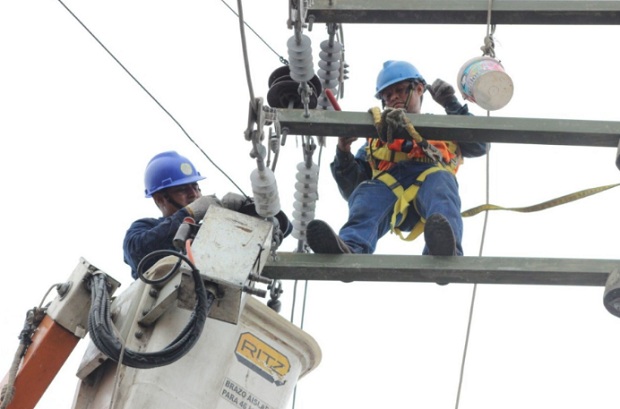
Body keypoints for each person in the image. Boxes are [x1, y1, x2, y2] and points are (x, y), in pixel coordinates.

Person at [306, 60, 489, 257]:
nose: (393, 98)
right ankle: (352, 247)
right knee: (368, 192)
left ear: (419, 89)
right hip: (390, 194)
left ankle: (444, 250)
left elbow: (479, 145)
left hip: (431, 194)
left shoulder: (441, 128)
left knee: (441, 183)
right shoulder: (378, 139)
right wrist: (343, 151)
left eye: (400, 90)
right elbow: (353, 188)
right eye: (387, 95)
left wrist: (450, 103)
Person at [123, 150, 290, 279]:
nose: (193, 194)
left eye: (196, 187)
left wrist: (248, 210)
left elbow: (282, 226)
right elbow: (138, 253)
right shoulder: (144, 227)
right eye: (182, 189)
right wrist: (189, 213)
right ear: (160, 199)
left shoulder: (210, 232)